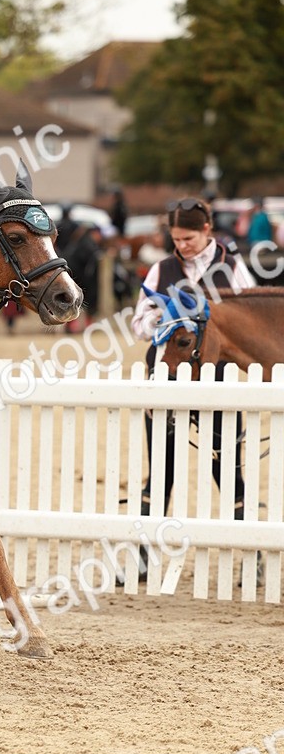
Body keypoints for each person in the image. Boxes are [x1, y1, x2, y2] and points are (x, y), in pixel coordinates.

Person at [129, 196, 257, 577]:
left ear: (206, 231)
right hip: (166, 377)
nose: (180, 246)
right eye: (176, 239)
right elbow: (138, 323)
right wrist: (166, 318)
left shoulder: (232, 267)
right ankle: (142, 558)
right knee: (161, 469)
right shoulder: (162, 269)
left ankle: (254, 557)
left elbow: (249, 320)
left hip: (217, 380)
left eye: (188, 239)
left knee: (228, 468)